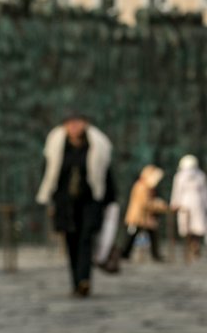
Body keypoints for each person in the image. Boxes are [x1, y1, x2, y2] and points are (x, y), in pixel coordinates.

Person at [36, 112, 114, 297]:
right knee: (71, 242)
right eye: (70, 124)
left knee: (86, 240)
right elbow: (50, 175)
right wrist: (51, 200)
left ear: (85, 125)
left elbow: (105, 175)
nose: (74, 127)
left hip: (89, 201)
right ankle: (76, 282)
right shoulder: (57, 147)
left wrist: (108, 200)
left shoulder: (96, 146)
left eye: (77, 123)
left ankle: (84, 280)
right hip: (66, 204)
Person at [170, 154, 207, 261]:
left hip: (185, 202)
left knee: (187, 226)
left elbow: (177, 191)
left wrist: (174, 203)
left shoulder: (179, 176)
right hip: (198, 202)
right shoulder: (201, 175)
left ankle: (190, 245)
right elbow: (205, 192)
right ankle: (195, 244)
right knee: (197, 225)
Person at [121, 165, 167, 261]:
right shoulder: (142, 186)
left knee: (148, 233)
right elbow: (145, 203)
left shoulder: (143, 185)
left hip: (143, 216)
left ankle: (154, 254)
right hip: (139, 216)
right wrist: (158, 205)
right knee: (132, 235)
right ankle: (124, 253)